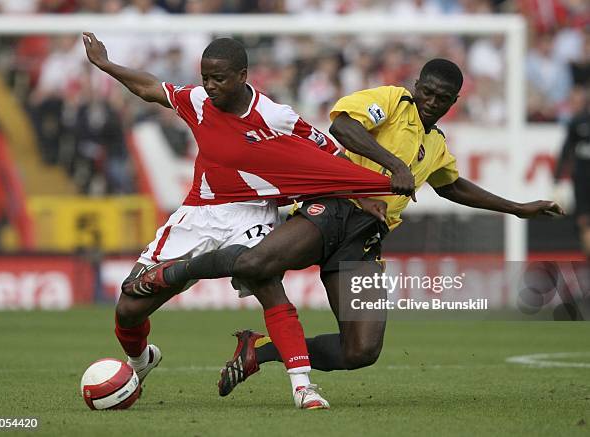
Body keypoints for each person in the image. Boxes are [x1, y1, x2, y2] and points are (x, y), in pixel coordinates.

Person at [130, 58, 565, 399]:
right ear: (417, 87)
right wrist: (392, 164)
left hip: (365, 241)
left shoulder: (436, 146)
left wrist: (517, 208)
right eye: (427, 92)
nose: (432, 101)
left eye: (442, 98)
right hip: (335, 208)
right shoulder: (393, 101)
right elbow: (342, 124)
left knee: (361, 351)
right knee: (256, 263)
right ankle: (174, 272)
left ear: (454, 102)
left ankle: (257, 352)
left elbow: (453, 187)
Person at [82, 33, 402, 410]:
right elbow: (151, 88)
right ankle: (140, 362)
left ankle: (303, 386)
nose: (209, 86)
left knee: (265, 281)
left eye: (218, 78)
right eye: (205, 77)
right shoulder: (198, 101)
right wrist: (105, 65)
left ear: (242, 75)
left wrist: (360, 193)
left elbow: (329, 155)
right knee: (129, 305)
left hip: (252, 213)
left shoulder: (276, 116)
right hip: (199, 213)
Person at [554, 88, 590, 262]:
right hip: (583, 180)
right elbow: (566, 150)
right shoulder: (578, 122)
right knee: (584, 221)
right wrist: (557, 178)